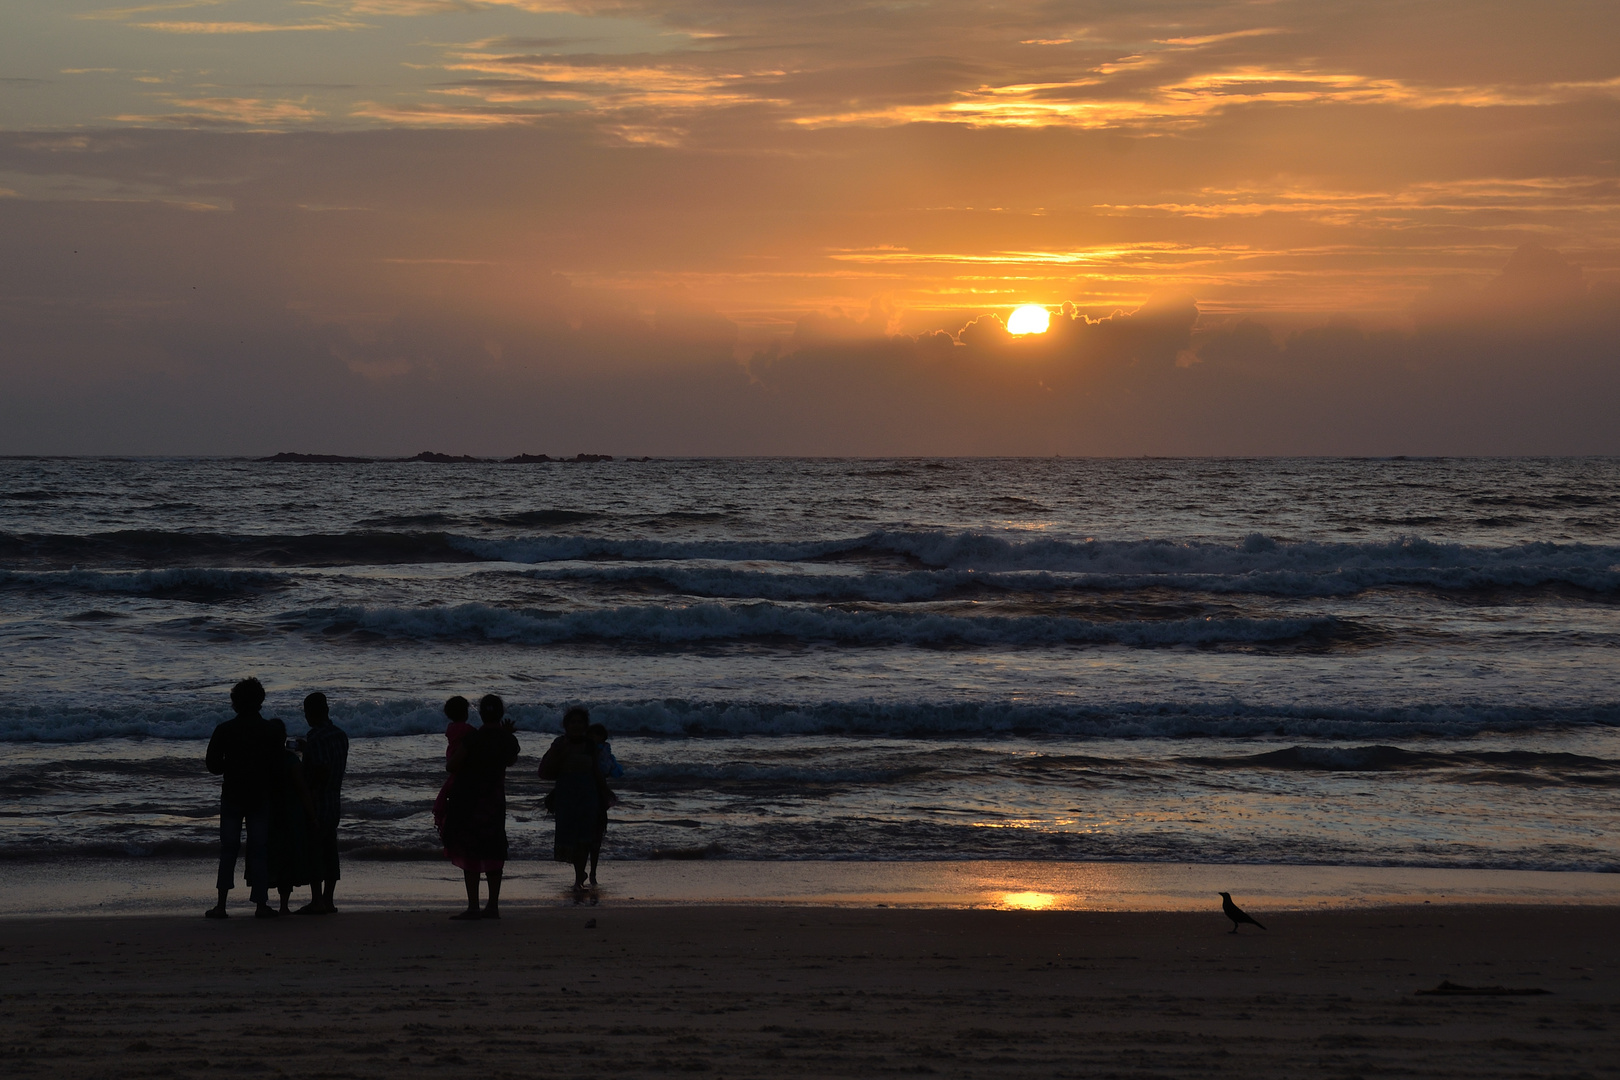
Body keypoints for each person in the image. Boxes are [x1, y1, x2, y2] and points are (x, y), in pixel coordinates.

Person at [204, 678, 282, 919]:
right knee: (259, 849)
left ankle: (221, 905)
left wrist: (233, 764)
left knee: (228, 849)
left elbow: (213, 765)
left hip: (233, 795)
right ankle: (260, 905)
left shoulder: (225, 729)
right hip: (260, 795)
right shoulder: (270, 730)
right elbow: (277, 766)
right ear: (260, 701)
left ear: (235, 702)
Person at [441, 694, 519, 920]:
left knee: (470, 850)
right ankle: (492, 906)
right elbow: (510, 760)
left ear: (481, 714)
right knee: (494, 848)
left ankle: (473, 906)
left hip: (468, 799)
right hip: (494, 800)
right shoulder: (507, 741)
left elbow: (451, 765)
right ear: (501, 714)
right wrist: (506, 735)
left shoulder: (473, 738)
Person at [539, 707, 609, 895]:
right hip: (566, 797)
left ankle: (579, 878)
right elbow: (544, 772)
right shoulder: (559, 743)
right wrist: (562, 752)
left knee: (585, 839)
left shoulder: (590, 745)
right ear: (566, 725)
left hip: (588, 796)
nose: (576, 725)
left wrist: (605, 793)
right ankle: (579, 874)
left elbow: (596, 771)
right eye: (573, 722)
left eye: (580, 722)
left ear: (585, 725)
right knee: (570, 838)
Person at [298, 692, 349, 915]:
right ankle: (328, 900)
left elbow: (320, 769)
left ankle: (317, 900)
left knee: (315, 851)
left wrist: (310, 795)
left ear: (309, 713)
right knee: (330, 851)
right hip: (334, 800)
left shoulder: (315, 738)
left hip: (318, 801)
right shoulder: (340, 735)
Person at [266, 717, 318, 914]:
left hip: (269, 813)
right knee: (287, 858)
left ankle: (262, 902)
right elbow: (302, 789)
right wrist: (312, 816)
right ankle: (283, 906)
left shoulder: (263, 761)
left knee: (269, 857)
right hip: (289, 814)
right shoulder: (290, 760)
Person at [432, 696, 475, 842]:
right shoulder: (468, 730)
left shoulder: (451, 729)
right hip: (463, 772)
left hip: (455, 772)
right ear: (465, 712)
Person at [586, 722, 623, 887]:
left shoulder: (603, 750)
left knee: (596, 838)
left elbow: (608, 770)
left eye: (597, 735)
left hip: (598, 797)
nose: (594, 738)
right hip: (588, 795)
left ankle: (592, 872)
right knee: (586, 838)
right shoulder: (586, 749)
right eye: (591, 734)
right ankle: (583, 873)